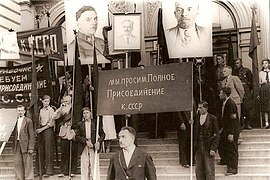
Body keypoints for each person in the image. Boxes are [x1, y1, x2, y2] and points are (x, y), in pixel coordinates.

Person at [75, 107, 105, 180]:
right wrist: (85, 141)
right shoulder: (80, 124)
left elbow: (103, 134)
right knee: (84, 164)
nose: (86, 115)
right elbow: (77, 137)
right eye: (84, 113)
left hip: (94, 145)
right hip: (84, 145)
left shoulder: (95, 123)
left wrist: (98, 142)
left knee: (94, 164)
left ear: (90, 114)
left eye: (87, 113)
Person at [52, 96, 78, 177]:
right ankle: (63, 171)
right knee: (64, 153)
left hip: (72, 131)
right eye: (64, 101)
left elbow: (77, 119)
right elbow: (54, 117)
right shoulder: (62, 110)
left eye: (67, 101)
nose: (65, 102)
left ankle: (72, 170)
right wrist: (60, 108)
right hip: (64, 132)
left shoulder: (74, 109)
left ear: (70, 101)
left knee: (73, 152)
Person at [194, 101, 219, 180]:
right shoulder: (196, 118)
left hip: (208, 147)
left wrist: (213, 148)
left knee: (209, 169)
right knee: (199, 169)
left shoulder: (212, 118)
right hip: (198, 146)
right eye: (198, 108)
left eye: (201, 108)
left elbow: (216, 135)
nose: (199, 109)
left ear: (206, 108)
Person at [218, 87, 240, 176]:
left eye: (220, 93)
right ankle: (225, 160)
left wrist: (231, 133)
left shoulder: (230, 104)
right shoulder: (224, 103)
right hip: (226, 129)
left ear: (224, 94)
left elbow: (233, 119)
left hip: (232, 130)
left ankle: (232, 169)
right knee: (223, 145)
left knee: (232, 149)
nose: (219, 95)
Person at [221, 66, 244, 144]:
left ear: (229, 71)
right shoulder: (223, 81)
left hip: (235, 101)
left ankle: (239, 137)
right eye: (223, 71)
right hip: (226, 103)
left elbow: (241, 90)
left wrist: (239, 99)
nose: (223, 72)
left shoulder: (235, 78)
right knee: (228, 119)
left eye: (224, 71)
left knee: (236, 119)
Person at [13, 105, 35, 180]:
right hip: (17, 144)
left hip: (26, 145)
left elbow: (32, 135)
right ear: (17, 111)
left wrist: (31, 147)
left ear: (24, 111)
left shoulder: (28, 121)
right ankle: (19, 178)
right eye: (18, 110)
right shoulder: (15, 121)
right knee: (18, 163)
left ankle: (28, 178)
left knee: (28, 163)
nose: (20, 112)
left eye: (21, 110)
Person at [35, 95, 55, 176]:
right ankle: (40, 170)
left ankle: (49, 171)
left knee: (48, 150)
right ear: (42, 101)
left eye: (48, 101)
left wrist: (42, 129)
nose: (47, 103)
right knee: (40, 149)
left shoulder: (51, 110)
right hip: (41, 129)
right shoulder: (40, 110)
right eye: (45, 101)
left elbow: (52, 123)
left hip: (48, 130)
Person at [233, 58, 253, 129]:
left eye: (238, 63)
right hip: (237, 91)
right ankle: (242, 124)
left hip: (246, 91)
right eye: (235, 63)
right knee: (240, 108)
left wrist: (248, 90)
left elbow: (250, 82)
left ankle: (248, 123)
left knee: (247, 108)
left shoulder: (247, 71)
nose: (236, 65)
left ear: (241, 63)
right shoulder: (234, 72)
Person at [259, 59, 270, 129]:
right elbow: (259, 83)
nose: (264, 65)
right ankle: (266, 122)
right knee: (265, 106)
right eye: (263, 63)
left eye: (266, 63)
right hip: (264, 90)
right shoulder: (261, 73)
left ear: (269, 64)